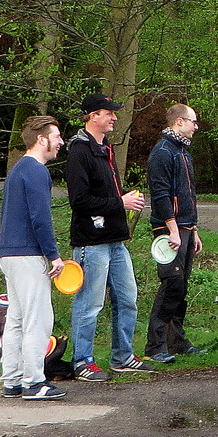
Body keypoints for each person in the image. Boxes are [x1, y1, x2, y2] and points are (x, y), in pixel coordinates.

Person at [65, 92, 156, 382]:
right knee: (90, 304)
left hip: (116, 241)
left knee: (128, 298)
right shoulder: (80, 151)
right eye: (109, 112)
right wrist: (121, 203)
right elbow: (79, 200)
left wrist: (122, 202)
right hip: (91, 243)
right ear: (94, 116)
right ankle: (82, 361)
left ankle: (123, 356)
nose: (115, 117)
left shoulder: (106, 149)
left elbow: (107, 194)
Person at [0, 115, 68, 400]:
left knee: (15, 318)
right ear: (42, 139)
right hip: (28, 255)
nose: (60, 142)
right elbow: (41, 219)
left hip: (8, 254)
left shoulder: (16, 170)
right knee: (38, 319)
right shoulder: (37, 171)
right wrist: (54, 256)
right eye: (56, 136)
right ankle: (35, 382)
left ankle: (11, 380)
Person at [144, 103, 205, 363]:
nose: (196, 126)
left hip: (186, 228)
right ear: (179, 122)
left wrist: (194, 230)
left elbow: (187, 195)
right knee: (172, 283)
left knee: (181, 287)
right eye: (193, 121)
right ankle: (155, 345)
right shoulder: (163, 152)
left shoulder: (183, 152)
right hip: (169, 230)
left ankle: (176, 340)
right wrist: (172, 229)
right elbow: (160, 194)